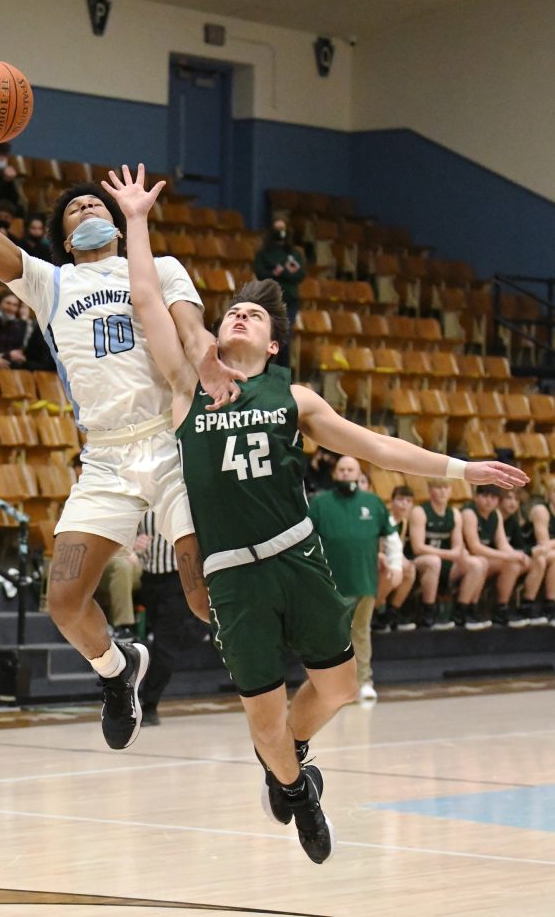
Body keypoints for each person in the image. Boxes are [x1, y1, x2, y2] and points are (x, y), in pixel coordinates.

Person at [101, 161, 527, 865]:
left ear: (273, 344)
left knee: (335, 686)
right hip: (232, 575)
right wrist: (137, 221)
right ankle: (296, 791)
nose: (238, 315)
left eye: (254, 314)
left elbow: (379, 447)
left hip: (297, 558)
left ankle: (291, 755)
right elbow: (146, 300)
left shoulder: (293, 398)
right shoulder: (186, 387)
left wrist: (462, 469)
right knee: (261, 720)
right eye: (232, 311)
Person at [0, 64, 242, 752]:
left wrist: (207, 356)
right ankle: (117, 670)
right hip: (104, 454)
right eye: (73, 208)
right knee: (64, 601)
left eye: (93, 204)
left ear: (116, 219)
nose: (85, 209)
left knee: (201, 596)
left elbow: (193, 330)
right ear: (61, 233)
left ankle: (267, 686)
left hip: (171, 440)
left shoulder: (159, 269)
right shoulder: (50, 283)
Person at [309, 456, 403, 703]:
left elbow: (392, 537)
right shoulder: (319, 504)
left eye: (350, 469)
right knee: (329, 637)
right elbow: (306, 541)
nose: (345, 473)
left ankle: (364, 682)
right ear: (334, 474)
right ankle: (329, 686)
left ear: (359, 474)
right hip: (329, 585)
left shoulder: (373, 503)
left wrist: (396, 564)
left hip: (363, 582)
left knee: (360, 633)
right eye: (341, 469)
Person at [137, 510, 208, 726]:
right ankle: (203, 628)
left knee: (164, 644)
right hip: (147, 577)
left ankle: (149, 704)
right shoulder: (142, 498)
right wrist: (132, 542)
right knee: (162, 640)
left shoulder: (185, 498)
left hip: (179, 579)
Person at [406, 479, 490, 631]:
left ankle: (462, 610)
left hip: (445, 560)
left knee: (479, 563)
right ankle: (428, 611)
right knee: (433, 561)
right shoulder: (420, 512)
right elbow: (418, 548)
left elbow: (457, 546)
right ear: (430, 490)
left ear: (451, 491)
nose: (442, 492)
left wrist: (458, 553)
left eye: (446, 488)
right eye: (438, 487)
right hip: (420, 561)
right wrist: (449, 554)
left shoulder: (454, 514)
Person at [461, 485, 531, 628]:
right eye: (484, 496)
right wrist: (506, 556)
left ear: (498, 500)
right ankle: (465, 609)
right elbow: (475, 547)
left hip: (482, 560)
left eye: (493, 497)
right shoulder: (469, 513)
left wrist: (516, 555)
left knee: (513, 564)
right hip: (464, 559)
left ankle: (501, 608)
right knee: (482, 563)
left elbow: (502, 543)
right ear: (476, 497)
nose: (489, 501)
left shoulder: (496, 514)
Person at [253, 216, 305, 369]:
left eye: (282, 229)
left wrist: (281, 273)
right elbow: (261, 274)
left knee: (284, 341)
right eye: (277, 229)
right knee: (268, 339)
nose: (280, 232)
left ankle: (282, 377)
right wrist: (277, 273)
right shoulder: (263, 254)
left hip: (289, 302)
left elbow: (300, 274)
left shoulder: (294, 254)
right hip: (269, 302)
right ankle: (263, 372)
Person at [372, 485, 417, 632]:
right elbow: (378, 548)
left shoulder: (404, 522)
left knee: (410, 570)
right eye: (400, 500)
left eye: (408, 501)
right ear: (391, 502)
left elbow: (397, 548)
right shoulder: (385, 520)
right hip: (375, 559)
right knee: (389, 571)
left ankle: (392, 612)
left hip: (388, 559)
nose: (404, 504)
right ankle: (373, 610)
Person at [524, 480, 555, 624]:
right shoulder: (541, 510)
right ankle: (529, 604)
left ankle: (550, 605)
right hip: (529, 551)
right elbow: (543, 544)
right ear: (548, 494)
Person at [96, 549, 142, 640]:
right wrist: (123, 549)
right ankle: (123, 627)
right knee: (122, 567)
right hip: (106, 554)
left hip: (142, 559)